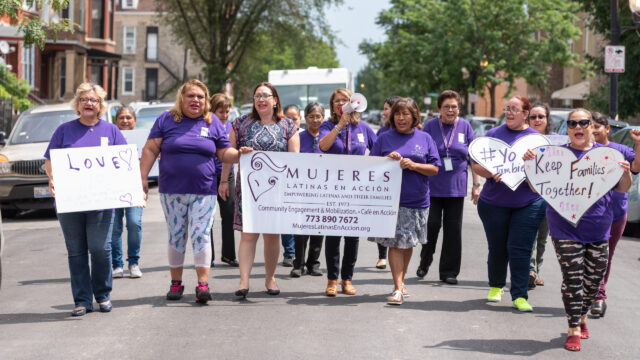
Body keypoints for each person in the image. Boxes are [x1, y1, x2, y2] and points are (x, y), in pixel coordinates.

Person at [523, 108, 632, 351]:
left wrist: (624, 172)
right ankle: (573, 326)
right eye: (573, 123)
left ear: (592, 126)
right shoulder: (555, 156)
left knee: (593, 280)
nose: (578, 127)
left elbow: (623, 188)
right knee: (573, 278)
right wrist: (530, 166)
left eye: (584, 122)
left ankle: (582, 314)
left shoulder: (607, 155)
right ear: (567, 129)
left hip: (599, 226)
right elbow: (535, 187)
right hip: (564, 227)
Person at [140, 79, 247, 304]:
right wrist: (141, 178)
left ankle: (203, 284)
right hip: (172, 191)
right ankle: (176, 283)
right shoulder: (166, 120)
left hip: (204, 190)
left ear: (206, 101)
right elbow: (151, 148)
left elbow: (223, 152)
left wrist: (239, 155)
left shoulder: (213, 122)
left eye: (200, 97)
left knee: (200, 234)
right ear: (182, 98)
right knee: (177, 235)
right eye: (191, 96)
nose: (196, 100)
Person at [44, 83, 126, 316]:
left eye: (94, 100)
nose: (89, 103)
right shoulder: (63, 131)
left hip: (102, 202)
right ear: (77, 104)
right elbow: (50, 160)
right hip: (70, 202)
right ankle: (82, 300)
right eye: (84, 99)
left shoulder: (111, 131)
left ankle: (102, 294)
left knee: (101, 249)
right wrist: (52, 178)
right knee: (76, 251)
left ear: (100, 105)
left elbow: (124, 164)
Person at [471, 96, 546, 312]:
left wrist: (531, 164)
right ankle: (496, 286)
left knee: (520, 249)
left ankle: (520, 295)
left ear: (525, 113)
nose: (509, 113)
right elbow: (476, 164)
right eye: (507, 109)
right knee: (497, 248)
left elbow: (545, 171)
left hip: (528, 203)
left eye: (514, 109)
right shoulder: (493, 135)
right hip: (494, 202)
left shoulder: (536, 139)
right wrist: (491, 172)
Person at [230, 82, 300, 298]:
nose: (260, 99)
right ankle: (244, 282)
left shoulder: (288, 126)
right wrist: (228, 172)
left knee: (271, 235)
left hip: (276, 192)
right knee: (248, 235)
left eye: (265, 96)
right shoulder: (240, 124)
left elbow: (295, 160)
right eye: (257, 96)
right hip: (248, 190)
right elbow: (227, 153)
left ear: (275, 100)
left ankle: (270, 278)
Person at [369, 97, 440, 305]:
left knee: (407, 243)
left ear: (414, 116)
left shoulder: (425, 138)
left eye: (405, 114)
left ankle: (400, 281)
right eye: (398, 114)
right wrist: (385, 161)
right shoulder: (384, 138)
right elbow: (370, 165)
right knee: (395, 243)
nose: (401, 118)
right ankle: (398, 287)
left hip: (417, 200)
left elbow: (435, 168)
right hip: (391, 201)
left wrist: (414, 165)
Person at [318, 88, 377, 296]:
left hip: (356, 190)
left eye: (345, 100)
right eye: (337, 101)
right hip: (333, 188)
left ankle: (347, 279)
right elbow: (323, 146)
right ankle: (332, 280)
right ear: (332, 105)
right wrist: (339, 125)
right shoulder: (327, 126)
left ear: (354, 103)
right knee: (333, 235)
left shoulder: (363, 128)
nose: (341, 103)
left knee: (352, 237)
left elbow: (378, 151)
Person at [418, 90, 480, 284]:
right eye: (446, 106)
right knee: (432, 225)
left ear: (459, 108)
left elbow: (475, 157)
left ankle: (449, 272)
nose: (450, 110)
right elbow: (421, 153)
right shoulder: (430, 126)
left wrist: (476, 184)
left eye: (454, 106)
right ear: (439, 109)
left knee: (453, 230)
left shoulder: (465, 127)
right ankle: (425, 260)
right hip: (433, 186)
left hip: (456, 187)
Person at [590, 112, 640, 317]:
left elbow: (636, 167)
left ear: (607, 128)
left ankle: (598, 296)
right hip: (589, 215)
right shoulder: (581, 150)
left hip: (616, 214)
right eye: (589, 126)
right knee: (589, 256)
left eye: (596, 127)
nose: (592, 130)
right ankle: (593, 295)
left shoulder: (620, 150)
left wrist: (638, 144)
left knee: (605, 256)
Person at [290, 102, 325, 278]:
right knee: (300, 228)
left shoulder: (328, 137)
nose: (314, 120)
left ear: (323, 118)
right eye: (311, 116)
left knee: (318, 227)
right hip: (301, 189)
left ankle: (314, 263)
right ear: (305, 118)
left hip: (323, 190)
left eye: (318, 116)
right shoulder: (298, 136)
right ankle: (299, 263)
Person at [111, 106, 143, 279]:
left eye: (128, 117)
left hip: (135, 188)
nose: (125, 121)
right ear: (116, 121)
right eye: (121, 118)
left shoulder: (142, 140)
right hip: (113, 188)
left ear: (134, 120)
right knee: (115, 228)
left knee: (133, 223)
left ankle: (133, 263)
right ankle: (117, 264)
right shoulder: (109, 138)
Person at [526, 103, 554, 289]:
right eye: (533, 117)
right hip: (526, 195)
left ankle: (537, 271)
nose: (537, 120)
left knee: (543, 236)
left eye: (541, 117)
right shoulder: (522, 140)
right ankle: (529, 270)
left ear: (547, 120)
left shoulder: (556, 142)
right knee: (530, 235)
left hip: (550, 197)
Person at [210, 93, 238, 267]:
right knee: (208, 217)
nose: (225, 115)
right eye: (221, 111)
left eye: (227, 111)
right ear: (212, 111)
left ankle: (228, 255)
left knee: (229, 215)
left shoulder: (231, 127)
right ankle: (208, 256)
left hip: (228, 176)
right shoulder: (206, 126)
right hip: (209, 175)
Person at [374, 95, 400, 270]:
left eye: (386, 108)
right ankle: (382, 256)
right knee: (383, 220)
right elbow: (373, 159)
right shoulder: (382, 132)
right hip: (385, 185)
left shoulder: (415, 132)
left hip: (406, 187)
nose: (383, 112)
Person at [279, 104, 301, 266]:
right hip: (284, 183)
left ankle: (302, 253)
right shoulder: (278, 137)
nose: (292, 121)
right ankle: (289, 252)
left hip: (304, 185)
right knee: (286, 218)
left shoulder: (308, 136)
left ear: (300, 119)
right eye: (288, 118)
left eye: (295, 118)